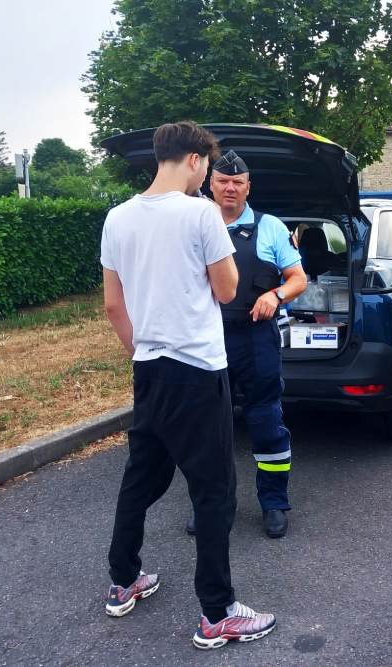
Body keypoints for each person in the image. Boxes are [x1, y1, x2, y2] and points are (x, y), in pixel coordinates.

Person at [100, 122, 275, 649]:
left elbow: (113, 304)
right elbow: (227, 291)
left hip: (149, 368)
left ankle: (123, 580)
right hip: (197, 370)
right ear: (197, 161)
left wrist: (142, 348)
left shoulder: (118, 216)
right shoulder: (200, 213)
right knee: (213, 488)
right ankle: (218, 612)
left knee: (142, 477)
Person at [185, 150, 307, 539]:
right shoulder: (194, 224)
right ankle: (212, 507)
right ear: (211, 184)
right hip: (207, 338)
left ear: (248, 187)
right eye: (223, 181)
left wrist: (276, 295)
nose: (230, 188)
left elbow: (298, 278)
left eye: (238, 182)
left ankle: (274, 503)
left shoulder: (270, 227)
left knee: (266, 421)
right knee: (206, 427)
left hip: (256, 338)